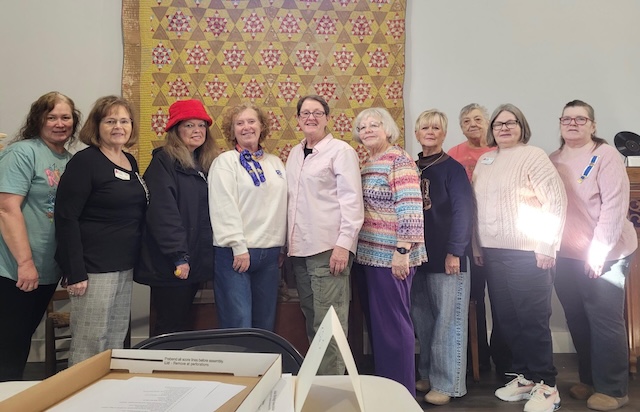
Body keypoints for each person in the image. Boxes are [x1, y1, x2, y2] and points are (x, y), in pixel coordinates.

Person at [473, 103, 567, 412]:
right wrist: (477, 246)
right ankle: (526, 378)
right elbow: (476, 208)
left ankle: (548, 387)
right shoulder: (485, 160)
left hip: (528, 253)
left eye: (510, 122)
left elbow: (555, 201)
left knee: (532, 320)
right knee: (508, 320)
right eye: (498, 124)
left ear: (521, 126)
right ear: (492, 130)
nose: (504, 128)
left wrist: (547, 245)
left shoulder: (533, 156)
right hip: (493, 253)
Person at [550, 100, 637, 411]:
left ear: (593, 125)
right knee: (577, 317)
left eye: (581, 119)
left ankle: (613, 389)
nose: (573, 123)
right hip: (567, 254)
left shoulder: (606, 155)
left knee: (603, 319)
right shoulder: (553, 159)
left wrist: (598, 252)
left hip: (608, 252)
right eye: (567, 119)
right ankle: (589, 380)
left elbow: (614, 207)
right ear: (560, 123)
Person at [55, 96, 148, 366]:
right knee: (90, 341)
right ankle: (79, 392)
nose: (118, 127)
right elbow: (66, 217)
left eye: (124, 121)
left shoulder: (129, 161)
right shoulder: (86, 162)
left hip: (124, 264)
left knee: (115, 338)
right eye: (110, 121)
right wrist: (75, 271)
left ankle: (108, 390)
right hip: (92, 268)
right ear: (97, 126)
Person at [0, 92, 79, 381]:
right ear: (38, 120)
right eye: (52, 117)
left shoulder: (70, 160)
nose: (60, 123)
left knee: (19, 341)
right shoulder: (22, 153)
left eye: (66, 117)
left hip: (46, 270)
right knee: (8, 347)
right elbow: (6, 209)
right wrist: (24, 263)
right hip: (14, 269)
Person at [286, 95, 364, 375]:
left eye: (317, 112)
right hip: (300, 250)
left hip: (328, 249)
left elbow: (352, 201)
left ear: (327, 118)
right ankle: (318, 381)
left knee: (329, 323)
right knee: (312, 319)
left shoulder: (340, 151)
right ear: (298, 119)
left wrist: (343, 245)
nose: (311, 117)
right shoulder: (295, 154)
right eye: (305, 113)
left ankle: (332, 387)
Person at [354, 107, 427, 395]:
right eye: (362, 127)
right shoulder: (368, 162)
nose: (367, 130)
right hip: (369, 256)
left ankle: (401, 394)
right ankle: (385, 390)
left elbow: (410, 206)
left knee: (394, 327)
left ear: (388, 129)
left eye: (374, 125)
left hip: (391, 257)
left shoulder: (399, 160)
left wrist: (402, 251)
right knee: (380, 329)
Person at [135, 99, 217, 336]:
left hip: (193, 260)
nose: (197, 131)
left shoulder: (203, 164)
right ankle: (160, 361)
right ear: (176, 130)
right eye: (189, 125)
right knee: (169, 325)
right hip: (173, 262)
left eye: (201, 125)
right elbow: (163, 213)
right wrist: (178, 256)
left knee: (181, 323)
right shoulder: (164, 162)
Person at [411, 109, 473, 405]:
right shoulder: (412, 168)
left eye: (436, 128)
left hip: (447, 256)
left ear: (444, 134)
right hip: (418, 257)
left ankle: (447, 384)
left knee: (448, 322)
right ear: (416, 133)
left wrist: (455, 251)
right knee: (424, 322)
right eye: (425, 127)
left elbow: (463, 212)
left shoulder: (453, 169)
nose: (430, 132)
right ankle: (428, 374)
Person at [208, 103, 287, 331]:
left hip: (270, 254)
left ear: (262, 126)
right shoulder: (225, 162)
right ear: (232, 130)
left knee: (265, 325)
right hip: (236, 253)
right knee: (239, 322)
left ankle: (262, 358)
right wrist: (238, 246)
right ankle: (239, 358)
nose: (246, 127)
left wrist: (282, 246)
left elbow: (282, 206)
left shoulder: (275, 163)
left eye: (251, 121)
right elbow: (223, 206)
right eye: (239, 123)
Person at [448, 103, 511, 377]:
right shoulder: (454, 155)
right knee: (472, 300)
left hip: (498, 237)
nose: (472, 124)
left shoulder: (503, 151)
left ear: (488, 122)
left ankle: (505, 361)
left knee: (501, 300)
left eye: (477, 119)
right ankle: (478, 360)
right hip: (465, 238)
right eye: (466, 121)